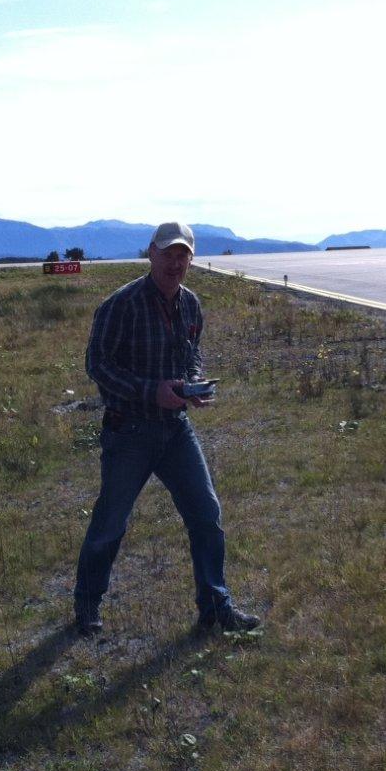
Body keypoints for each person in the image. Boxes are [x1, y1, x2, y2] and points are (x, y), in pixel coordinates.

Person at [72, 221, 260, 637]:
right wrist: (150, 391)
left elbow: (192, 355)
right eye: (168, 254)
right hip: (129, 432)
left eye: (183, 256)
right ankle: (87, 604)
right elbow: (97, 365)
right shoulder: (121, 304)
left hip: (175, 429)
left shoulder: (190, 304)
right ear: (151, 253)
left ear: (190, 260)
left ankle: (215, 606)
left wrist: (192, 384)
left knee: (206, 516)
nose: (175, 263)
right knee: (110, 524)